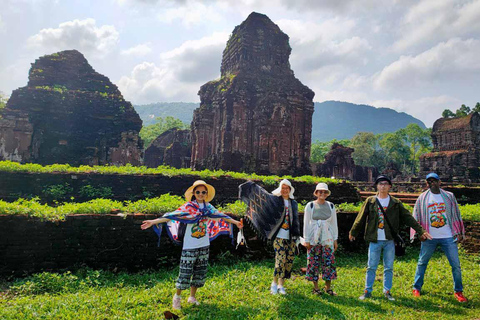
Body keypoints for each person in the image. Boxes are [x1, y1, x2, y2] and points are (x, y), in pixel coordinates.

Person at [141, 180, 243, 310]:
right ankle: (177, 298)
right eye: (198, 192)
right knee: (185, 272)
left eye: (203, 192)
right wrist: (153, 221)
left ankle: (192, 297)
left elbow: (222, 216)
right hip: (190, 245)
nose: (201, 194)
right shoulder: (188, 207)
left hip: (204, 244)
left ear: (206, 194)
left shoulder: (208, 207)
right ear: (194, 193)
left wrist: (236, 223)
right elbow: (172, 215)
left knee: (199, 272)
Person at [349, 175, 432, 301]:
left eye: (385, 184)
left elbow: (407, 217)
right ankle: (367, 290)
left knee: (388, 267)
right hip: (375, 239)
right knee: (371, 266)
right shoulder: (371, 201)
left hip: (389, 239)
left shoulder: (395, 203)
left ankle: (387, 291)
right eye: (380, 184)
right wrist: (353, 231)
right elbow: (360, 218)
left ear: (389, 186)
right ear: (377, 186)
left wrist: (420, 230)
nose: (382, 186)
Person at [411, 172, 468, 302]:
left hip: (448, 236)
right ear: (427, 183)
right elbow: (416, 215)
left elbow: (456, 214)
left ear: (439, 182)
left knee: (456, 265)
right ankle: (416, 288)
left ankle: (458, 291)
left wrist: (458, 232)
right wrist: (420, 233)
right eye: (429, 181)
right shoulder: (423, 198)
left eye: (434, 181)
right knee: (422, 262)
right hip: (429, 236)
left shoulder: (449, 196)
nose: (432, 183)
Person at [238, 179, 301, 295]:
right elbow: (263, 196)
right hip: (279, 236)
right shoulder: (275, 200)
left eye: (287, 188)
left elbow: (296, 221)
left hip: (291, 236)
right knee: (280, 260)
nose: (285, 190)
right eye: (283, 187)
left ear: (290, 189)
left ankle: (281, 285)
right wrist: (251, 186)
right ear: (280, 189)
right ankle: (274, 283)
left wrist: (297, 237)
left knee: (288, 261)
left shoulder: (293, 203)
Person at [303, 183, 338, 296]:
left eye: (324, 192)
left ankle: (328, 288)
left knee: (328, 262)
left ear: (327, 194)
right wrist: (307, 239)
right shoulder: (310, 206)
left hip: (327, 237)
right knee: (313, 262)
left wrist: (335, 239)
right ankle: (316, 287)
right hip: (314, 237)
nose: (322, 194)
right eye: (320, 192)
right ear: (316, 193)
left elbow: (333, 224)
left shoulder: (331, 206)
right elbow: (306, 224)